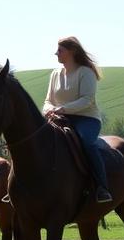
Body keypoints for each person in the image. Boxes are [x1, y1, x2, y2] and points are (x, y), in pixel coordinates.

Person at [43, 36, 112, 203]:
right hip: (59, 117)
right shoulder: (55, 74)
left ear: (72, 51)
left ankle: (102, 187)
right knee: (38, 141)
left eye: (60, 50)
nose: (56, 53)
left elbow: (87, 99)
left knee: (86, 143)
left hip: (86, 119)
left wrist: (63, 108)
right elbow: (47, 101)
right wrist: (49, 110)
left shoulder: (86, 72)